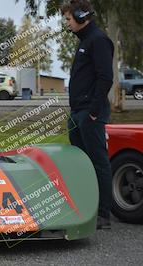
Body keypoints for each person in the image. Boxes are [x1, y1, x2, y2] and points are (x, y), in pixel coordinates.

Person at [61, 0, 114, 229]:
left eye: (69, 19)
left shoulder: (98, 41)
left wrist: (92, 112)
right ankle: (85, 209)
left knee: (98, 163)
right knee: (81, 164)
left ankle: (103, 215)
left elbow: (105, 78)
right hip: (78, 113)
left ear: (82, 17)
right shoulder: (85, 41)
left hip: (89, 114)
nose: (67, 23)